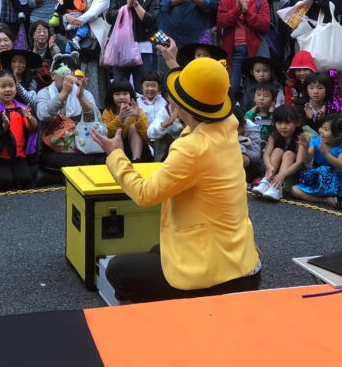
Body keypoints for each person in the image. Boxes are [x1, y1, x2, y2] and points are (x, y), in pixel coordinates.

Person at [90, 50, 260, 304]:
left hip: (216, 272)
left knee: (118, 270)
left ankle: (158, 323)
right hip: (240, 259)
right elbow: (205, 89)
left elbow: (145, 194)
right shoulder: (227, 126)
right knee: (156, 250)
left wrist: (116, 155)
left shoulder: (192, 148)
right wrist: (173, 63)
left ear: (179, 106)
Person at [104, 0, 160, 89]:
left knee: (142, 88)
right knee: (120, 88)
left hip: (143, 49)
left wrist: (135, 4)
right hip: (120, 48)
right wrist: (126, 7)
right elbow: (110, 17)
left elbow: (150, 21)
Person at [0, 69, 38, 190]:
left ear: (16, 88)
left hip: (19, 154)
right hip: (0, 156)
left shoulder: (21, 108)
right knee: (4, 181)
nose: (8, 89)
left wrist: (29, 117)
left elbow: (33, 129)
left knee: (24, 180)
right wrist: (4, 127)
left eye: (11, 86)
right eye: (3, 86)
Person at [216, 0, 270, 92]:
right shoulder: (227, 0)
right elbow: (222, 21)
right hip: (233, 51)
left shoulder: (261, 1)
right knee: (231, 87)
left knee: (256, 88)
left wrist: (247, 12)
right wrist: (236, 9)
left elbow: (264, 25)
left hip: (256, 50)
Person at [290, 114, 342, 209]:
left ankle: (340, 199)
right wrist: (305, 148)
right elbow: (307, 160)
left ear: (338, 135)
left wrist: (326, 154)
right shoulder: (316, 141)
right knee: (294, 190)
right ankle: (324, 199)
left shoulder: (341, 148)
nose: (321, 131)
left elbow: (340, 165)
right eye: (322, 127)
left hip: (336, 179)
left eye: (326, 130)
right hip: (317, 177)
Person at [66, 0, 112, 102]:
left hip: (95, 42)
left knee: (96, 76)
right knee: (80, 74)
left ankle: (97, 106)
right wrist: (66, 17)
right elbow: (68, 9)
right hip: (81, 42)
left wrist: (72, 24)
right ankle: (81, 104)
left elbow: (92, 14)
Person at [251, 104, 305, 202]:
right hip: (274, 170)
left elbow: (300, 163)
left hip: (292, 172)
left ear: (297, 123)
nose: (283, 127)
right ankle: (266, 181)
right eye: (279, 123)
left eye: (287, 123)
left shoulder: (300, 138)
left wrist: (283, 174)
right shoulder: (274, 135)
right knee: (277, 150)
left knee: (288, 154)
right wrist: (269, 167)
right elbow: (266, 154)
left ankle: (277, 187)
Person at [101, 80, 151, 163]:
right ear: (112, 96)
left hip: (138, 149)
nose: (121, 97)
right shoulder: (108, 112)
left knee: (134, 127)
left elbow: (148, 137)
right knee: (118, 131)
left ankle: (136, 161)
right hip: (115, 150)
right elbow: (106, 133)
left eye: (125, 94)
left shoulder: (138, 111)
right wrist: (120, 118)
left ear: (131, 95)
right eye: (117, 94)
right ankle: (121, 162)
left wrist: (138, 117)